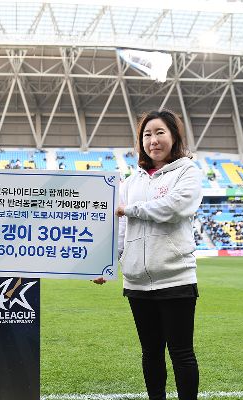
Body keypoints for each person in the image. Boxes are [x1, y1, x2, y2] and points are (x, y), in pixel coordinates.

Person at [95, 109, 203, 400]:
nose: (153, 140)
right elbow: (121, 229)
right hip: (137, 282)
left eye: (159, 133)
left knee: (181, 352)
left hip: (175, 278)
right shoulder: (132, 181)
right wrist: (105, 264)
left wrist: (130, 210)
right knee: (151, 352)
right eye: (147, 134)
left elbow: (175, 207)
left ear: (174, 136)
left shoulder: (187, 171)